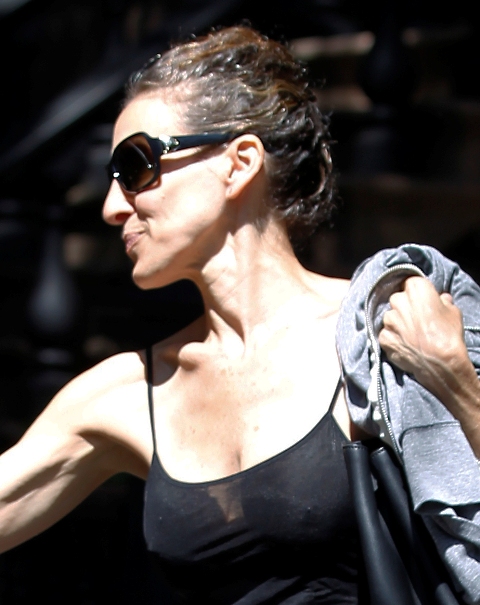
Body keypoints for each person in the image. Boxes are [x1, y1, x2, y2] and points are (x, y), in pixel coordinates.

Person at [0, 24, 478, 604]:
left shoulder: (387, 328)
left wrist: (459, 384)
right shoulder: (128, 393)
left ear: (239, 163)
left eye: (136, 166)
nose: (110, 207)